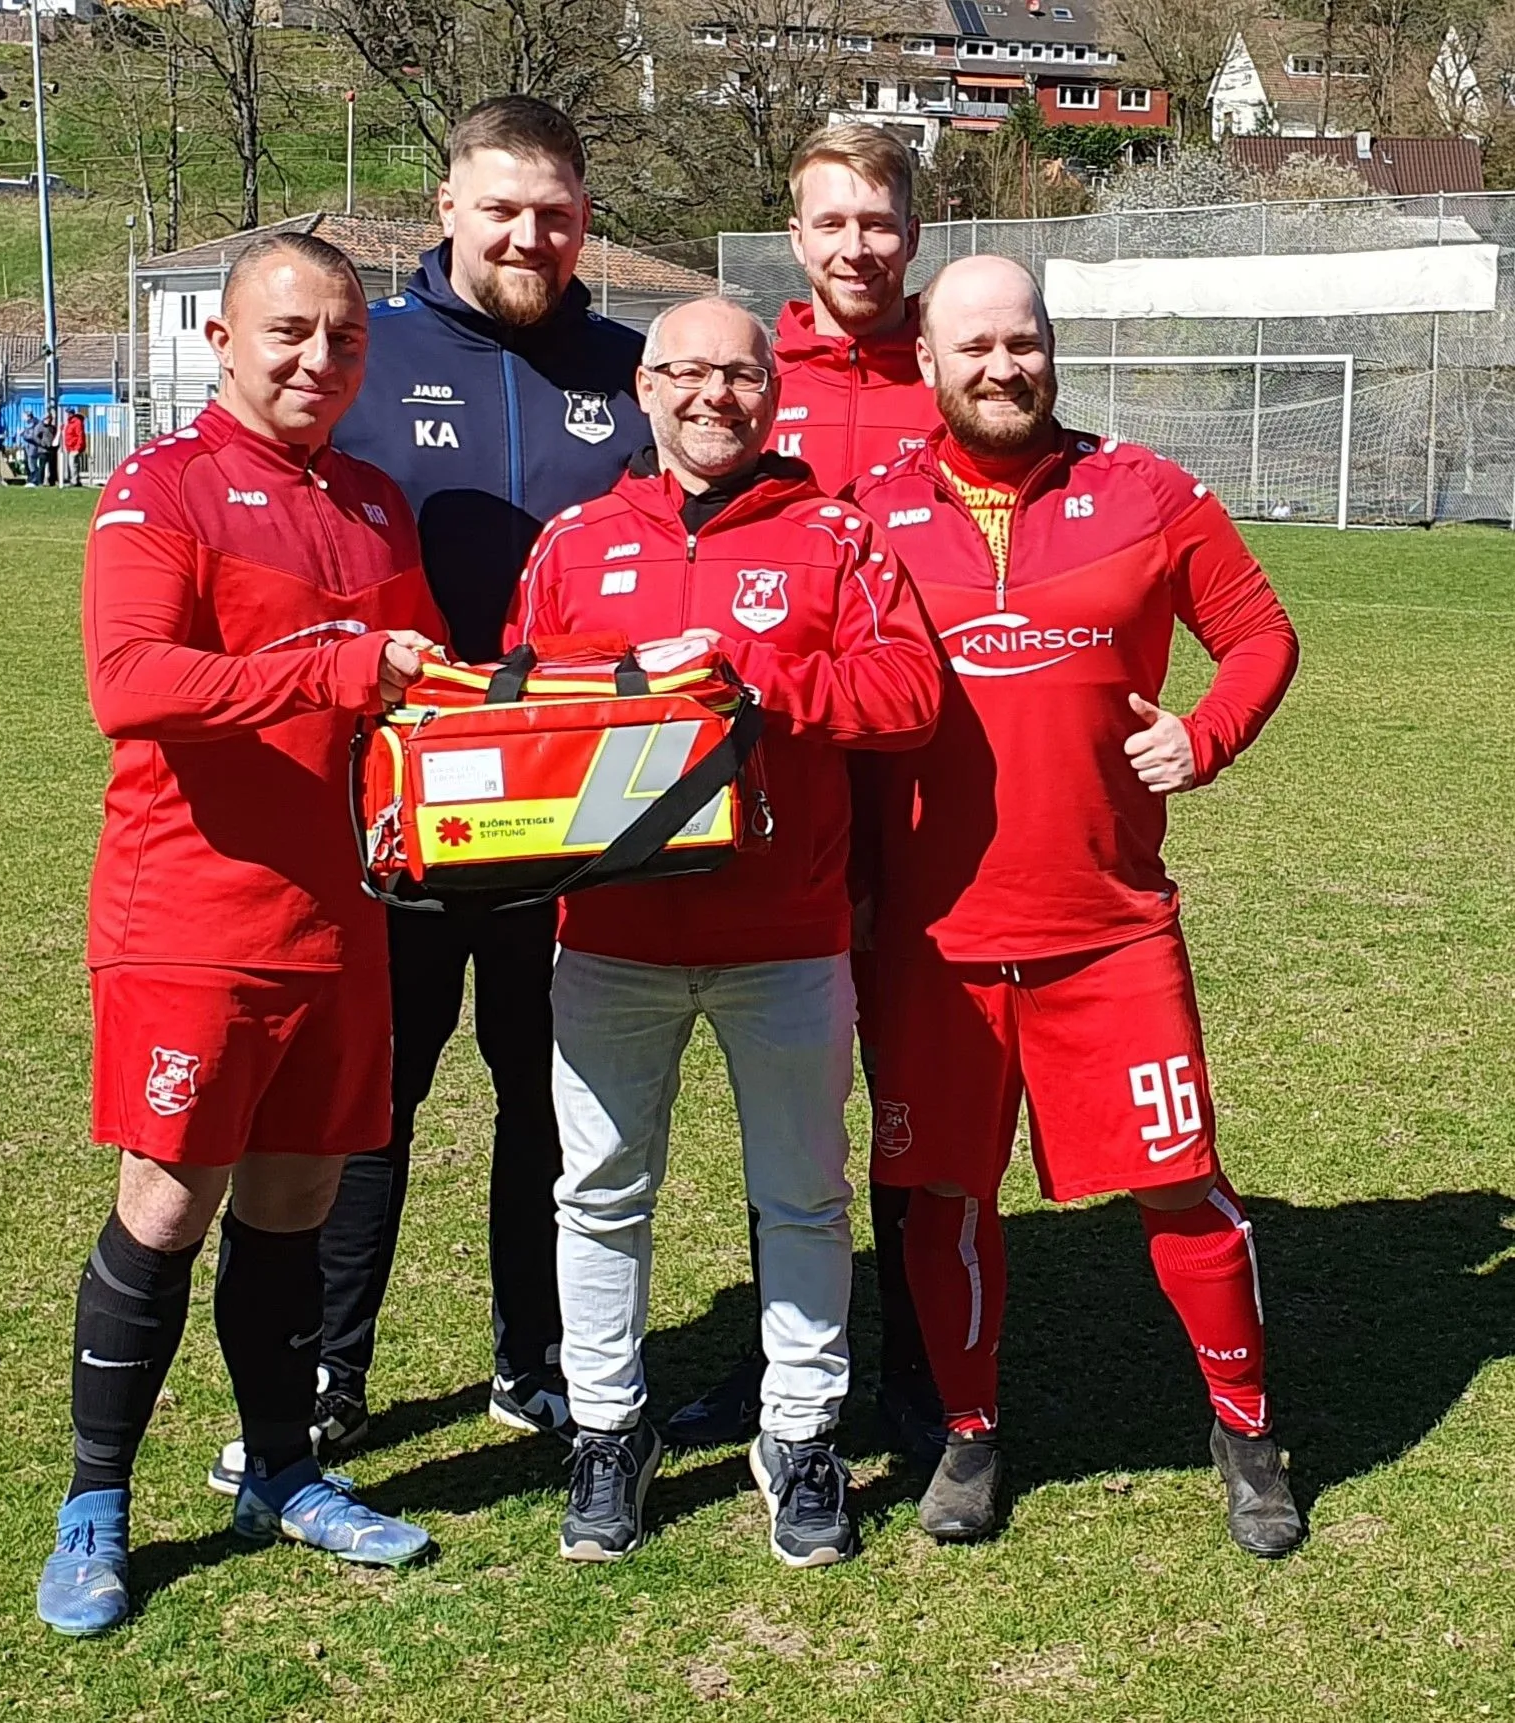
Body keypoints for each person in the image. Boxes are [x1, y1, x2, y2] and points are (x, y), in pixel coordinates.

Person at [207, 96, 650, 1491]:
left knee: (551, 1094)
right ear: (443, 208)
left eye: (556, 212)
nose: (530, 234)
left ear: (584, 220)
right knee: (368, 1099)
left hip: (569, 823)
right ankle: (335, 1371)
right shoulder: (365, 356)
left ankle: (539, 1352)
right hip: (389, 814)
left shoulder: (631, 372)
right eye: (502, 207)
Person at [851, 255, 1304, 1556]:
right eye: (974, 346)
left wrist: (1206, 734)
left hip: (1110, 929)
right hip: (933, 948)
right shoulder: (866, 513)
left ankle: (1245, 1429)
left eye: (1024, 339)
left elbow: (1259, 633)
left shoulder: (1148, 492)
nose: (1003, 366)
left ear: (1050, 346)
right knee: (941, 1194)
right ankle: (970, 1430)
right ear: (925, 364)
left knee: (1181, 1186)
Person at [35, 231, 448, 1638]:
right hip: (195, 916)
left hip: (342, 916)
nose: (314, 359)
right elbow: (128, 680)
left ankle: (281, 1467)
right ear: (220, 339)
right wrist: (332, 664)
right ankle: (96, 1501)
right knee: (169, 1200)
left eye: (340, 337)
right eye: (287, 332)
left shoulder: (377, 504)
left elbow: (424, 698)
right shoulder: (163, 486)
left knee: (296, 1203)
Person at [508, 296, 943, 1567]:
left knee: (803, 1198)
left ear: (773, 394)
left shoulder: (835, 535)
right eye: (688, 372)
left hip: (786, 935)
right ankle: (606, 1425)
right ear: (644, 388)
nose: (715, 396)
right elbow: (516, 714)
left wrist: (756, 684)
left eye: (741, 374)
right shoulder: (575, 541)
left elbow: (909, 693)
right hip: (611, 938)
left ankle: (796, 1433)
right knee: (596, 1193)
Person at [666, 122, 946, 1466]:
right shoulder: (748, 375)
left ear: (911, 230)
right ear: (795, 232)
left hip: (921, 783)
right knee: (788, 1089)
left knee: (909, 1078)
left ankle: (922, 1356)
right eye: (830, 221)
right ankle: (778, 1346)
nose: (855, 245)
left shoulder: (948, 370)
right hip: (769, 798)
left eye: (877, 221)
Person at [20, 411, 48, 487]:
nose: (23, 418)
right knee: (30, 464)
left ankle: (35, 480)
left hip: (33, 448)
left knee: (32, 465)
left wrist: (23, 434)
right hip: (29, 447)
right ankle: (33, 480)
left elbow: (32, 436)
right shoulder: (30, 424)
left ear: (28, 416)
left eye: (24, 416)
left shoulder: (34, 424)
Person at [62, 407, 88, 487]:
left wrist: (78, 448)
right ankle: (76, 480)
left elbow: (80, 436)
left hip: (75, 448)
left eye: (67, 413)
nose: (66, 415)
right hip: (70, 447)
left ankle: (74, 481)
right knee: (74, 464)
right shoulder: (70, 423)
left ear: (70, 414)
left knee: (73, 464)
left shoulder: (77, 422)